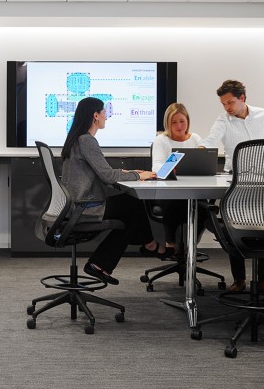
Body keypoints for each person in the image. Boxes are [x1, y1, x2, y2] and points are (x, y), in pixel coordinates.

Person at [60, 97, 156, 285]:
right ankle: (149, 245)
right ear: (95, 115)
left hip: (77, 205)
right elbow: (107, 176)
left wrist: (129, 173)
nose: (106, 116)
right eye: (104, 112)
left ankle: (104, 262)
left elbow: (102, 172)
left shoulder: (77, 139)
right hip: (85, 207)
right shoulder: (87, 140)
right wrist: (139, 176)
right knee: (133, 204)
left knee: (129, 215)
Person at [200, 79, 264, 295]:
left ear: (242, 98)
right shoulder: (223, 120)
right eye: (224, 104)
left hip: (262, 182)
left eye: (230, 102)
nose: (227, 107)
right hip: (235, 181)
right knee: (234, 230)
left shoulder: (263, 115)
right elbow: (210, 141)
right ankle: (239, 279)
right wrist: (197, 151)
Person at [141, 102, 202, 257]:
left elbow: (204, 163)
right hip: (169, 191)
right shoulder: (161, 140)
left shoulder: (195, 139)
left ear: (187, 121)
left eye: (182, 121)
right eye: (173, 122)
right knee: (174, 202)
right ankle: (170, 242)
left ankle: (191, 244)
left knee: (204, 210)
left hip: (193, 191)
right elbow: (156, 167)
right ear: (167, 124)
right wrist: (171, 166)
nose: (179, 126)